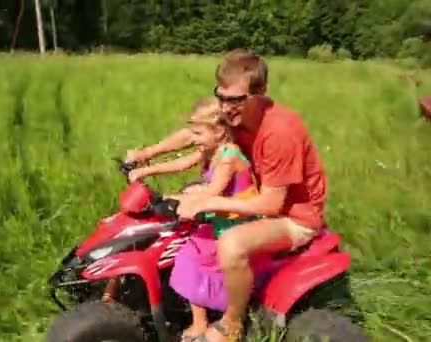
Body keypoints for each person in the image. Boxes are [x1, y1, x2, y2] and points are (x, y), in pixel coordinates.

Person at [126, 49, 328, 342]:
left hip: (294, 218)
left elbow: (272, 204)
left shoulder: (279, 133)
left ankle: (231, 323)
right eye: (220, 96)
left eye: (234, 99)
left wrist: (208, 201)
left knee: (232, 242)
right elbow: (193, 133)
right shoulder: (234, 113)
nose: (225, 106)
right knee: (185, 211)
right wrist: (145, 155)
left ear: (260, 93)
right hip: (258, 196)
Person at [128, 97, 261, 341]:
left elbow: (214, 191)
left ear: (220, 131)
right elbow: (182, 163)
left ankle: (206, 322)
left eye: (198, 133)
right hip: (217, 217)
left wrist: (180, 198)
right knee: (186, 246)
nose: (194, 139)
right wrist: (145, 170)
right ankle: (199, 319)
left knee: (191, 255)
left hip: (233, 224)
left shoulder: (229, 156)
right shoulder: (210, 150)